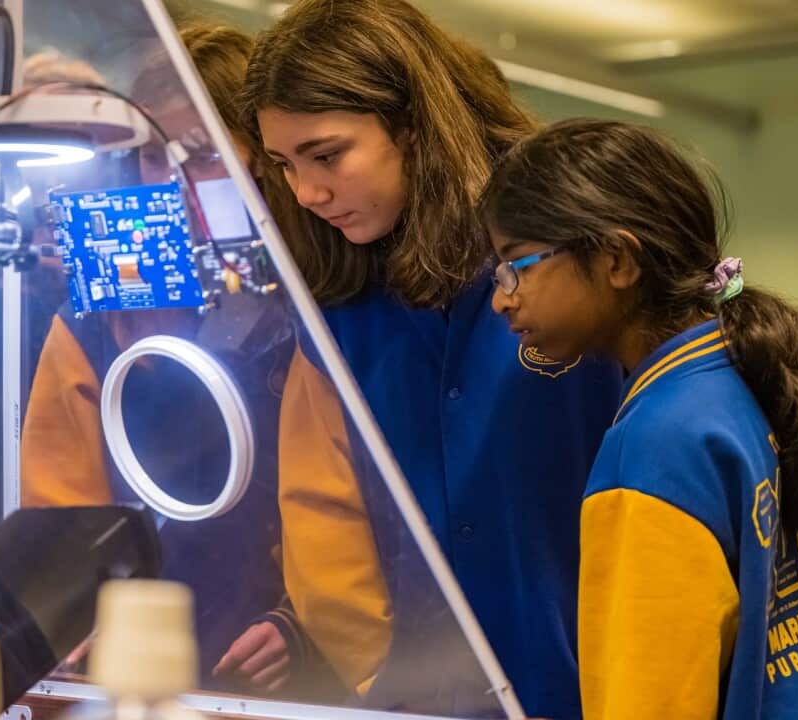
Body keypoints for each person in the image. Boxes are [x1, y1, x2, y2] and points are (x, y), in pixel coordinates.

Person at [239, 1, 622, 716]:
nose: (306, 193)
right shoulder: (336, 317)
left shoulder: (574, 257)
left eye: (327, 155)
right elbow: (326, 537)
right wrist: (392, 686)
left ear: (413, 128)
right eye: (285, 165)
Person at [479, 118, 798, 719]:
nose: (502, 296)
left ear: (617, 260)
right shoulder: (771, 382)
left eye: (517, 264)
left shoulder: (653, 448)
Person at [18, 23, 317, 697]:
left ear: (267, 160)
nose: (178, 184)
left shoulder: (322, 303)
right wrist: (71, 614)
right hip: (133, 673)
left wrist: (306, 626)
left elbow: (368, 509)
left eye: (207, 155)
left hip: (290, 672)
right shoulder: (97, 320)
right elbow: (60, 513)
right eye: (156, 158)